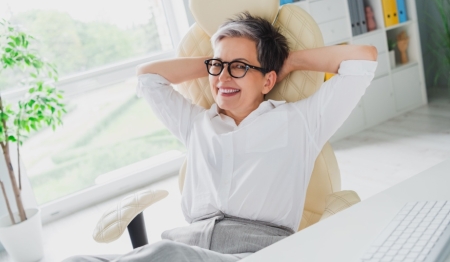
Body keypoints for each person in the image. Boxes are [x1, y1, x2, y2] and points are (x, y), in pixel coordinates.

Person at [64, 13, 377, 262]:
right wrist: (216, 65)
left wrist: (289, 61)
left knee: (164, 255)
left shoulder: (302, 121)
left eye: (239, 67)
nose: (224, 77)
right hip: (186, 245)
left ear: (269, 79)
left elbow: (362, 59)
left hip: (255, 251)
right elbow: (148, 76)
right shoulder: (196, 124)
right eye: (218, 65)